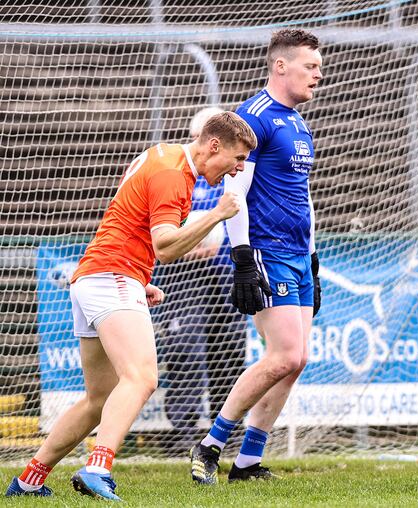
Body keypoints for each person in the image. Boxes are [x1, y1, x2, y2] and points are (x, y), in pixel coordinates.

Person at [5, 112, 257, 500]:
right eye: (237, 158)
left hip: (96, 277)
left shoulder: (165, 157)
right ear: (214, 146)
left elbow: (130, 221)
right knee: (141, 378)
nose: (238, 169)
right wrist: (217, 214)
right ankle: (98, 467)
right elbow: (166, 246)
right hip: (112, 277)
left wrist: (141, 279)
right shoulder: (174, 175)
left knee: (98, 400)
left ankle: (29, 480)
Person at [189, 28, 323, 485]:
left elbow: (301, 194)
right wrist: (243, 256)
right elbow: (235, 192)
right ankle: (209, 446)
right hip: (266, 250)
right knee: (284, 355)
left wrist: (314, 257)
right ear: (280, 66)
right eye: (311, 66)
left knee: (297, 358)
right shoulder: (254, 117)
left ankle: (247, 462)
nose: (318, 75)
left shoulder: (298, 121)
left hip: (298, 254)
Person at [151, 106, 249, 446]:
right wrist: (185, 245)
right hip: (184, 277)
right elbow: (163, 231)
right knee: (186, 350)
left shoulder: (233, 176)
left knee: (231, 352)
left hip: (225, 275)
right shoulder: (179, 176)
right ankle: (183, 432)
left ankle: (228, 432)